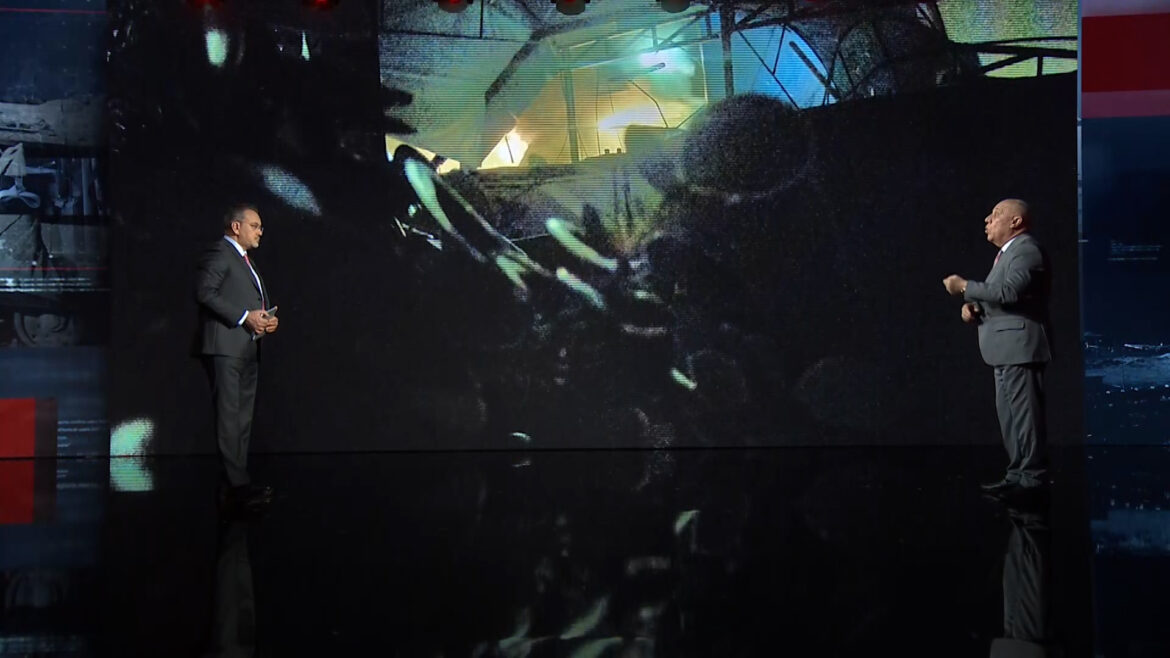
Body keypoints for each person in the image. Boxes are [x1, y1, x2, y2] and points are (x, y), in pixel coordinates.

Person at [943, 199, 1051, 498]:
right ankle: (1017, 475)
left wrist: (965, 287)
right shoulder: (1007, 255)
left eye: (996, 214)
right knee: (1010, 417)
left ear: (1015, 222)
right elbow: (1000, 298)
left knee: (1025, 417)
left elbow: (1010, 292)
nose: (988, 220)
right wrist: (974, 307)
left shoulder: (1026, 250)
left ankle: (1033, 479)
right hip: (1004, 348)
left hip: (1020, 347)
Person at [196, 203, 279, 511]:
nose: (260, 232)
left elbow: (252, 301)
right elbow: (205, 292)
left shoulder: (245, 260)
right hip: (226, 348)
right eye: (254, 226)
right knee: (230, 417)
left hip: (247, 348)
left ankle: (235, 485)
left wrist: (266, 320)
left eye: (260, 227)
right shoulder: (220, 253)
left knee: (242, 419)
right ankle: (237, 485)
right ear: (236, 227)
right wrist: (245, 317)